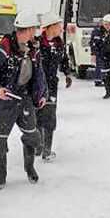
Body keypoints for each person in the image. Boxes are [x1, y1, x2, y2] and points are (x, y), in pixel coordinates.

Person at [0, 10, 48, 190]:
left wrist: (42, 94)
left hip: (24, 99)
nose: (35, 33)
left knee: (32, 136)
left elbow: (39, 74)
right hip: (5, 102)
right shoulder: (3, 49)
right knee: (0, 141)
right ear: (25, 30)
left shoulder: (33, 49)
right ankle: (0, 177)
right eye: (33, 29)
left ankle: (29, 168)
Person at [37, 12, 73, 161]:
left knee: (50, 117)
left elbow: (64, 60)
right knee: (37, 116)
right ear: (50, 27)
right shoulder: (37, 43)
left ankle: (47, 149)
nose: (61, 29)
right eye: (59, 26)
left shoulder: (59, 44)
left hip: (52, 85)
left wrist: (67, 73)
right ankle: (38, 145)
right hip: (37, 86)